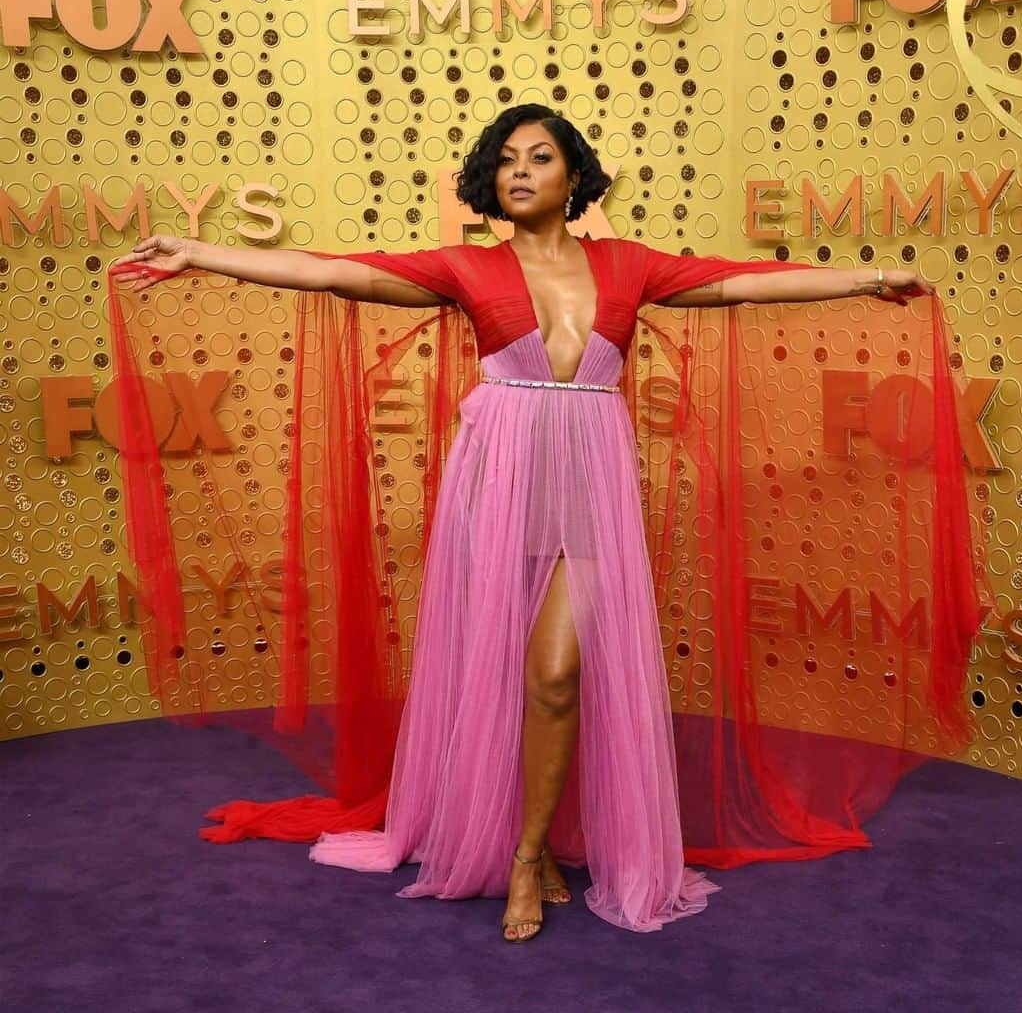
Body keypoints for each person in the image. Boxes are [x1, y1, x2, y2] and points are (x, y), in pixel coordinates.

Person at [110, 104, 967, 943]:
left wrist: (869, 277)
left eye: (540, 157)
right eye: (507, 159)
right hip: (499, 476)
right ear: (491, 179)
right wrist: (199, 253)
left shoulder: (629, 267)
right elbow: (334, 269)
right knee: (498, 672)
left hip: (589, 481)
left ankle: (527, 853)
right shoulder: (465, 269)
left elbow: (737, 281)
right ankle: (528, 849)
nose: (520, 171)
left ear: (574, 176)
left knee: (557, 673)